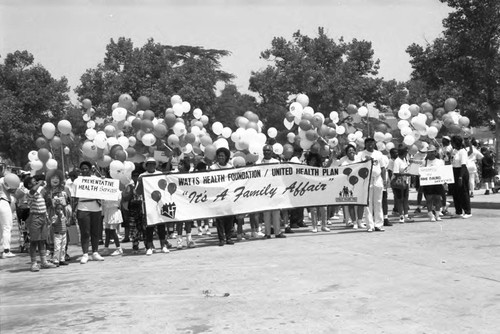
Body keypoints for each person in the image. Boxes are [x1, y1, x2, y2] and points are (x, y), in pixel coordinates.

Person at [73, 161, 104, 264]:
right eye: (83, 169)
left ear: (90, 169)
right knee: (85, 232)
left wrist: (103, 181)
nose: (84, 170)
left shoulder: (97, 180)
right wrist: (73, 210)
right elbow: (74, 197)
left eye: (86, 168)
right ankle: (85, 253)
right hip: (83, 207)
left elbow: (104, 190)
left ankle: (95, 252)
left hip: (96, 208)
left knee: (95, 231)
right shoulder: (77, 181)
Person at [137, 158, 170, 255]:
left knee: (161, 225)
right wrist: (140, 182)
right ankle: (149, 246)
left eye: (153, 164)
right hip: (148, 205)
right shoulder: (142, 176)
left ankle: (163, 245)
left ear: (155, 165)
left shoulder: (160, 174)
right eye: (149, 164)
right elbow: (138, 191)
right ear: (146, 165)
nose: (151, 166)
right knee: (149, 227)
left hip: (160, 204)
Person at [24, 175, 56, 271]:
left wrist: (47, 217)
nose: (36, 182)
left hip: (42, 217)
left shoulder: (39, 193)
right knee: (34, 241)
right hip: (35, 218)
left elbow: (44, 205)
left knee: (42, 240)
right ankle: (33, 263)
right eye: (34, 181)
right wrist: (39, 183)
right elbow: (33, 191)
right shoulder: (29, 193)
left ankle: (43, 261)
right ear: (29, 184)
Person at [43, 169, 72, 262]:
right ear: (49, 179)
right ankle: (53, 253)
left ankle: (64, 253)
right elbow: (41, 201)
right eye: (53, 178)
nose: (55, 180)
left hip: (63, 213)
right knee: (51, 233)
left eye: (57, 178)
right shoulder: (45, 190)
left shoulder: (65, 189)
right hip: (51, 214)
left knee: (63, 231)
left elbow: (70, 201)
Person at [358, 137, 386, 232]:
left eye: (372, 143)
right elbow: (357, 167)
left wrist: (384, 179)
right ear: (365, 144)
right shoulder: (361, 154)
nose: (370, 144)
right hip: (367, 180)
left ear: (374, 144)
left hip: (377, 179)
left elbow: (382, 167)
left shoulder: (378, 154)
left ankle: (379, 224)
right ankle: (370, 225)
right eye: (368, 143)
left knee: (378, 202)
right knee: (368, 203)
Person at [260, 145, 286, 238]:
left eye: (268, 150)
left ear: (272, 152)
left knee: (276, 213)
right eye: (265, 150)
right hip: (264, 191)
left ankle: (277, 232)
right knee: (266, 214)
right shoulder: (259, 162)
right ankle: (267, 233)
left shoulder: (276, 162)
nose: (266, 152)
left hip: (275, 190)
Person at [210, 147, 236, 246]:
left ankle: (228, 237)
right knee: (219, 219)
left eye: (222, 156)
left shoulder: (230, 167)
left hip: (228, 196)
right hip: (218, 196)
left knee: (229, 218)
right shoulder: (213, 168)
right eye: (219, 156)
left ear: (226, 157)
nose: (220, 157)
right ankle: (221, 239)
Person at [338, 144, 365, 229]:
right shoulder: (343, 161)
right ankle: (354, 222)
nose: (351, 152)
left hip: (360, 184)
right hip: (347, 185)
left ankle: (360, 221)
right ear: (346, 153)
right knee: (351, 204)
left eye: (352, 150)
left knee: (361, 203)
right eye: (349, 151)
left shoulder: (360, 159)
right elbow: (339, 170)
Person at [305, 151, 330, 233]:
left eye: (314, 160)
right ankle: (314, 226)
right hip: (311, 190)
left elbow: (327, 167)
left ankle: (324, 225)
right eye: (311, 160)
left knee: (324, 208)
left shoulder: (321, 168)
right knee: (313, 209)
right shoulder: (305, 169)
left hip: (321, 190)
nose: (312, 162)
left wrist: (332, 157)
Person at [174, 158, 196, 249]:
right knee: (179, 221)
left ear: (185, 167)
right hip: (178, 201)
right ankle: (179, 241)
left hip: (188, 201)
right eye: (179, 164)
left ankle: (189, 240)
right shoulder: (174, 176)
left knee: (188, 221)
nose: (179, 166)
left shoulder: (190, 176)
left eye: (181, 164)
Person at [123, 169, 145, 254]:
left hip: (142, 208)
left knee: (143, 227)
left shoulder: (143, 185)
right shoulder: (129, 186)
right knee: (133, 228)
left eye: (137, 176)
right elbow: (125, 198)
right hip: (132, 208)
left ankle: (147, 244)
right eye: (134, 176)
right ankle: (135, 245)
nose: (136, 177)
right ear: (132, 177)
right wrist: (131, 192)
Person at [449, 135, 472, 218]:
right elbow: (452, 161)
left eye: (452, 142)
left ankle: (467, 211)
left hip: (462, 172)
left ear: (456, 143)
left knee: (464, 192)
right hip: (454, 171)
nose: (451, 144)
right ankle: (458, 211)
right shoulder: (454, 151)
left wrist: (460, 177)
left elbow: (463, 165)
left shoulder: (463, 151)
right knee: (455, 193)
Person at [420, 146, 444, 222]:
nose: (430, 153)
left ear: (435, 152)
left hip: (437, 182)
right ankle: (430, 214)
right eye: (429, 152)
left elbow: (443, 172)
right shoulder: (424, 162)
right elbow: (421, 172)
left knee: (438, 198)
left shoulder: (440, 161)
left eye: (432, 151)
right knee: (429, 199)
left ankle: (437, 215)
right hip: (428, 183)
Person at [0, 174, 21, 259]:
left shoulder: (3, 180)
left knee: (2, 229)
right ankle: (6, 251)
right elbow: (12, 191)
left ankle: (2, 250)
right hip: (3, 202)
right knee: (7, 227)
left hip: (3, 202)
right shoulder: (4, 180)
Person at [392, 147, 413, 224]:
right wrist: (405, 174)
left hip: (406, 181)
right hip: (399, 182)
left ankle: (406, 215)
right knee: (400, 199)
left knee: (405, 199)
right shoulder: (397, 161)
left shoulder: (405, 160)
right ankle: (401, 216)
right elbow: (396, 172)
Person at [102, 190, 123, 256]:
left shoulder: (118, 192)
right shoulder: (104, 192)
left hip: (114, 211)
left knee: (113, 230)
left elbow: (118, 202)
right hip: (107, 211)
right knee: (107, 230)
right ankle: (106, 248)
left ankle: (119, 248)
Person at [51, 201, 70, 266]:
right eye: (58, 209)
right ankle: (56, 260)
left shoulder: (64, 217)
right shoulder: (55, 217)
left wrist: (69, 219)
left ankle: (62, 259)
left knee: (63, 248)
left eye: (61, 209)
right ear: (55, 210)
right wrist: (59, 217)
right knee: (57, 248)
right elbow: (54, 224)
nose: (60, 210)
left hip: (64, 234)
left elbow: (67, 224)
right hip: (57, 234)